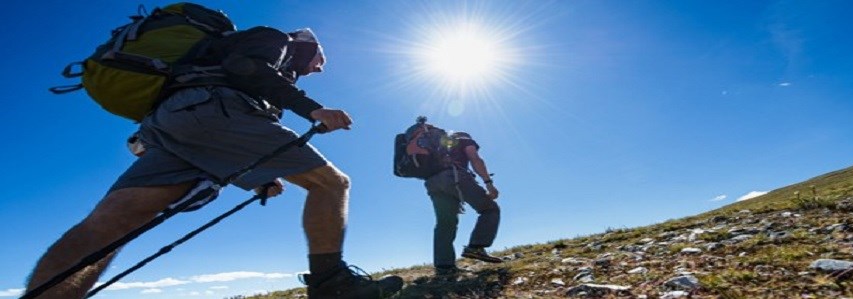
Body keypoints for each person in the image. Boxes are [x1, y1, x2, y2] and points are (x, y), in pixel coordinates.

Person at [25, 25, 403, 298]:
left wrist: (257, 178)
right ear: (307, 44)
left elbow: (225, 130)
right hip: (212, 109)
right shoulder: (277, 39)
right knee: (332, 184)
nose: (319, 69)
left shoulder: (220, 54)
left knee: (113, 221)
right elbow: (246, 69)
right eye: (321, 60)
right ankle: (331, 284)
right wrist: (312, 108)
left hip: (172, 121)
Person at [408, 122, 503, 276]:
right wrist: (488, 183)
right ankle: (476, 247)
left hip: (432, 183)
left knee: (445, 223)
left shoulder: (435, 143)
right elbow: (474, 158)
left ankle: (444, 267)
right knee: (489, 209)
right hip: (454, 176)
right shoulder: (463, 137)